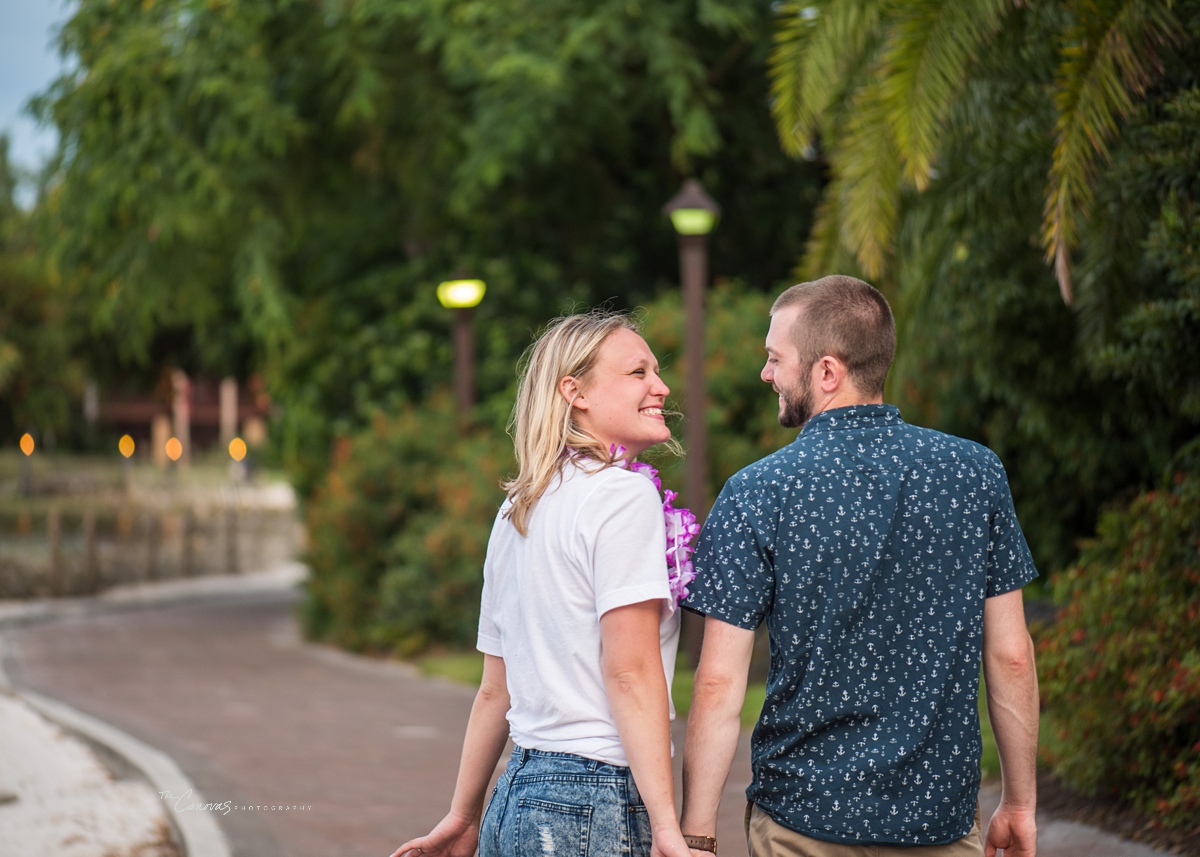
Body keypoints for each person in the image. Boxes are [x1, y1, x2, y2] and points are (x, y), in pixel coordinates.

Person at [678, 276, 1040, 857]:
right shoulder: (976, 475)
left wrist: (695, 834)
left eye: (775, 359)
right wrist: (1020, 804)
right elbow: (1011, 653)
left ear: (827, 371)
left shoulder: (757, 493)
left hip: (801, 822)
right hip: (938, 825)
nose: (766, 373)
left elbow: (720, 682)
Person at [393, 312, 697, 857]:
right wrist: (667, 829)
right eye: (638, 372)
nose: (661, 386)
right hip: (593, 798)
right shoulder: (622, 498)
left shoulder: (518, 507)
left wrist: (464, 816)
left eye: (657, 370)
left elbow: (494, 688)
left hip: (516, 796)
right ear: (574, 392)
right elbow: (630, 673)